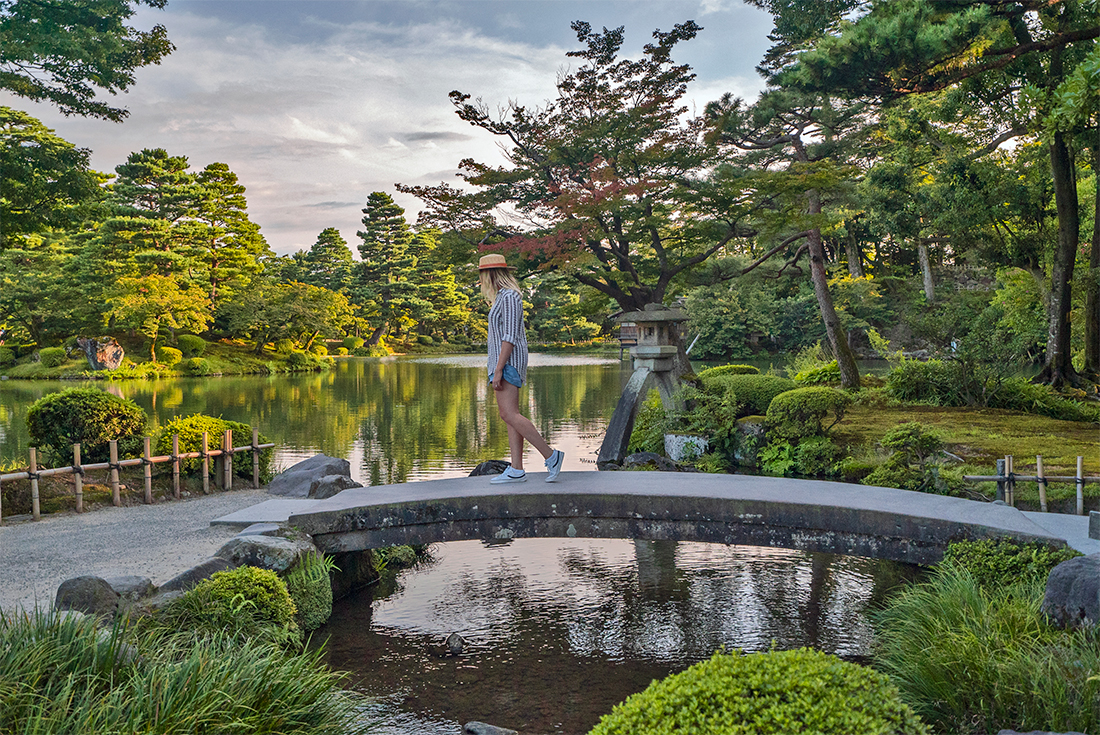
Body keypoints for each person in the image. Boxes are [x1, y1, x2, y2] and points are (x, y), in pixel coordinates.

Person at [478, 253, 565, 483]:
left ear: (491, 274)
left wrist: (498, 369)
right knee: (510, 415)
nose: (480, 280)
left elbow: (510, 336)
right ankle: (516, 469)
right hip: (502, 363)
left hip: (507, 363)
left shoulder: (509, 297)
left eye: (482, 275)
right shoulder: (502, 297)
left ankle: (551, 456)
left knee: (508, 413)